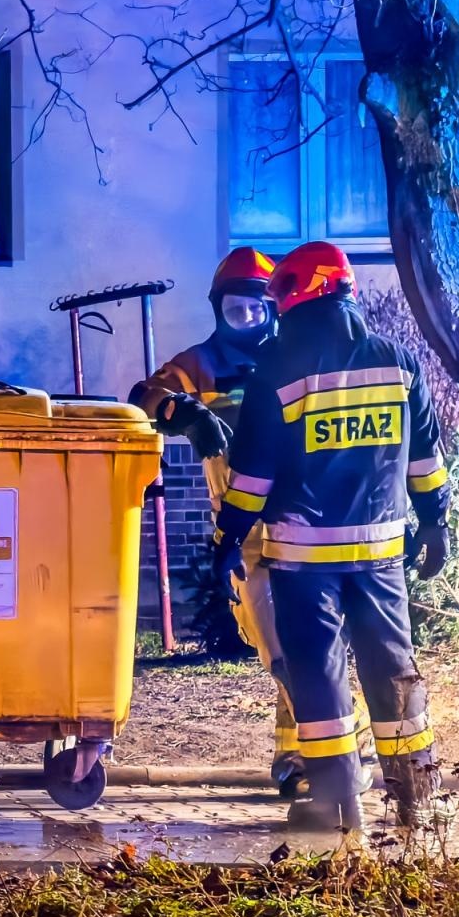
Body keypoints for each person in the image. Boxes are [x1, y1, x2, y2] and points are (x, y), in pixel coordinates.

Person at [212, 241, 450, 830]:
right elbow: (426, 458)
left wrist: (227, 542)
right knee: (392, 666)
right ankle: (416, 799)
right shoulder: (398, 362)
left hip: (302, 561)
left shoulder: (277, 370)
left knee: (318, 673)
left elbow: (252, 479)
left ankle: (336, 806)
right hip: (379, 555)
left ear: (296, 293)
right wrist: (436, 522)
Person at [129, 247, 368, 795]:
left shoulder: (294, 357)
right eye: (237, 310)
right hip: (245, 538)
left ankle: (313, 758)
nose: (250, 321)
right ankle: (326, 750)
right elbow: (144, 396)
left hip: (303, 527)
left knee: (304, 646)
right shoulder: (202, 364)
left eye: (259, 309)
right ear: (219, 310)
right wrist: (186, 412)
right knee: (278, 646)